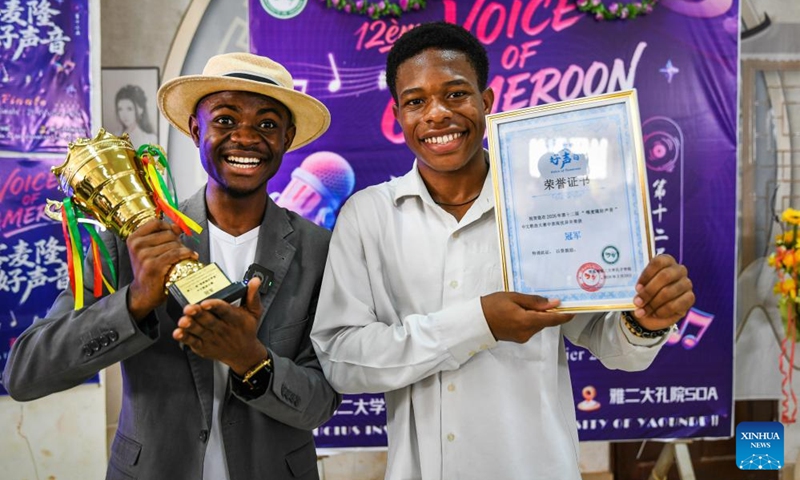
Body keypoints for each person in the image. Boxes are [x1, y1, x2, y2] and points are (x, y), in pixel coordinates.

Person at [310, 22, 695, 480]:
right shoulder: (369, 215)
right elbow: (342, 360)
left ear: (487, 102)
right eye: (416, 101)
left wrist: (644, 321)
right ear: (398, 115)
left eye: (455, 94)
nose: (436, 114)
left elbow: (607, 340)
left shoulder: (548, 204)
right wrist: (479, 323)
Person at [3, 52, 340, 480]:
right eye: (225, 120)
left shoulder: (319, 251)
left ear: (287, 138)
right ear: (195, 129)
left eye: (268, 124)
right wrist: (136, 301)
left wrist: (251, 360)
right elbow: (26, 374)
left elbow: (321, 403)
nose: (246, 137)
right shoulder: (131, 242)